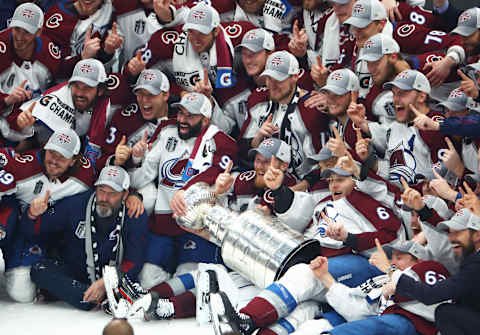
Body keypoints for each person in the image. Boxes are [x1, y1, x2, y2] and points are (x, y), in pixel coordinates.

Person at [103, 138, 297, 322]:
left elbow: (290, 223)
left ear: (284, 166)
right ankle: (142, 297)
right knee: (206, 274)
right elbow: (217, 207)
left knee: (220, 285)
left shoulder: (292, 193)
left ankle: (165, 307)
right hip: (237, 252)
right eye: (258, 160)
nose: (260, 167)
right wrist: (216, 192)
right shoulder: (242, 179)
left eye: (267, 162)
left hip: (268, 266)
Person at [129, 91, 238, 290]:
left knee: (188, 282)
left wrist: (185, 190)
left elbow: (216, 172)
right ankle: (151, 299)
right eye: (180, 113)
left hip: (197, 229)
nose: (182, 120)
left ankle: (160, 303)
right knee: (147, 279)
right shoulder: (166, 131)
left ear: (205, 119)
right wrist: (134, 161)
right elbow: (145, 173)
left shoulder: (222, 142)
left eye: (190, 116)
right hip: (163, 226)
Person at [23, 165, 148, 311]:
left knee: (138, 278)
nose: (105, 198)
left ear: (125, 194)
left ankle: (89, 296)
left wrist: (105, 282)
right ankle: (93, 298)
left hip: (116, 277)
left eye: (112, 193)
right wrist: (32, 214)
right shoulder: (76, 204)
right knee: (39, 270)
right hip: (77, 273)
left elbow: (134, 261)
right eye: (101, 191)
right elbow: (35, 232)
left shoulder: (134, 214)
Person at [309, 239, 450, 335]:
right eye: (392, 258)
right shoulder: (382, 280)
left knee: (389, 324)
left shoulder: (430, 268)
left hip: (414, 327)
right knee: (316, 325)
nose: (393, 262)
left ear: (419, 260)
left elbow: (435, 305)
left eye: (399, 258)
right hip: (376, 324)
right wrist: (325, 277)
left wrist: (391, 273)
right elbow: (357, 311)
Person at [8, 59, 128, 163]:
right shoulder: (59, 97)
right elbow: (32, 136)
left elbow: (92, 152)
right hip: (36, 138)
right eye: (76, 86)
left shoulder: (103, 104)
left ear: (100, 90)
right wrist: (20, 126)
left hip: (73, 145)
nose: (80, 93)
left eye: (87, 87)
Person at [386, 206, 480, 335]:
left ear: (477, 235)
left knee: (446, 313)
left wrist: (391, 271)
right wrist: (424, 210)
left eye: (457, 232)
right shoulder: (470, 257)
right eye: (450, 232)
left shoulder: (476, 264)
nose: (451, 238)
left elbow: (429, 295)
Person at [239, 50, 329, 181]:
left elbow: (318, 165)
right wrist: (257, 138)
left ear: (295, 76)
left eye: (279, 79)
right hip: (264, 176)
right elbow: (241, 151)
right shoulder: (257, 99)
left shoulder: (311, 107)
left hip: (302, 184)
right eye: (269, 78)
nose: (273, 85)